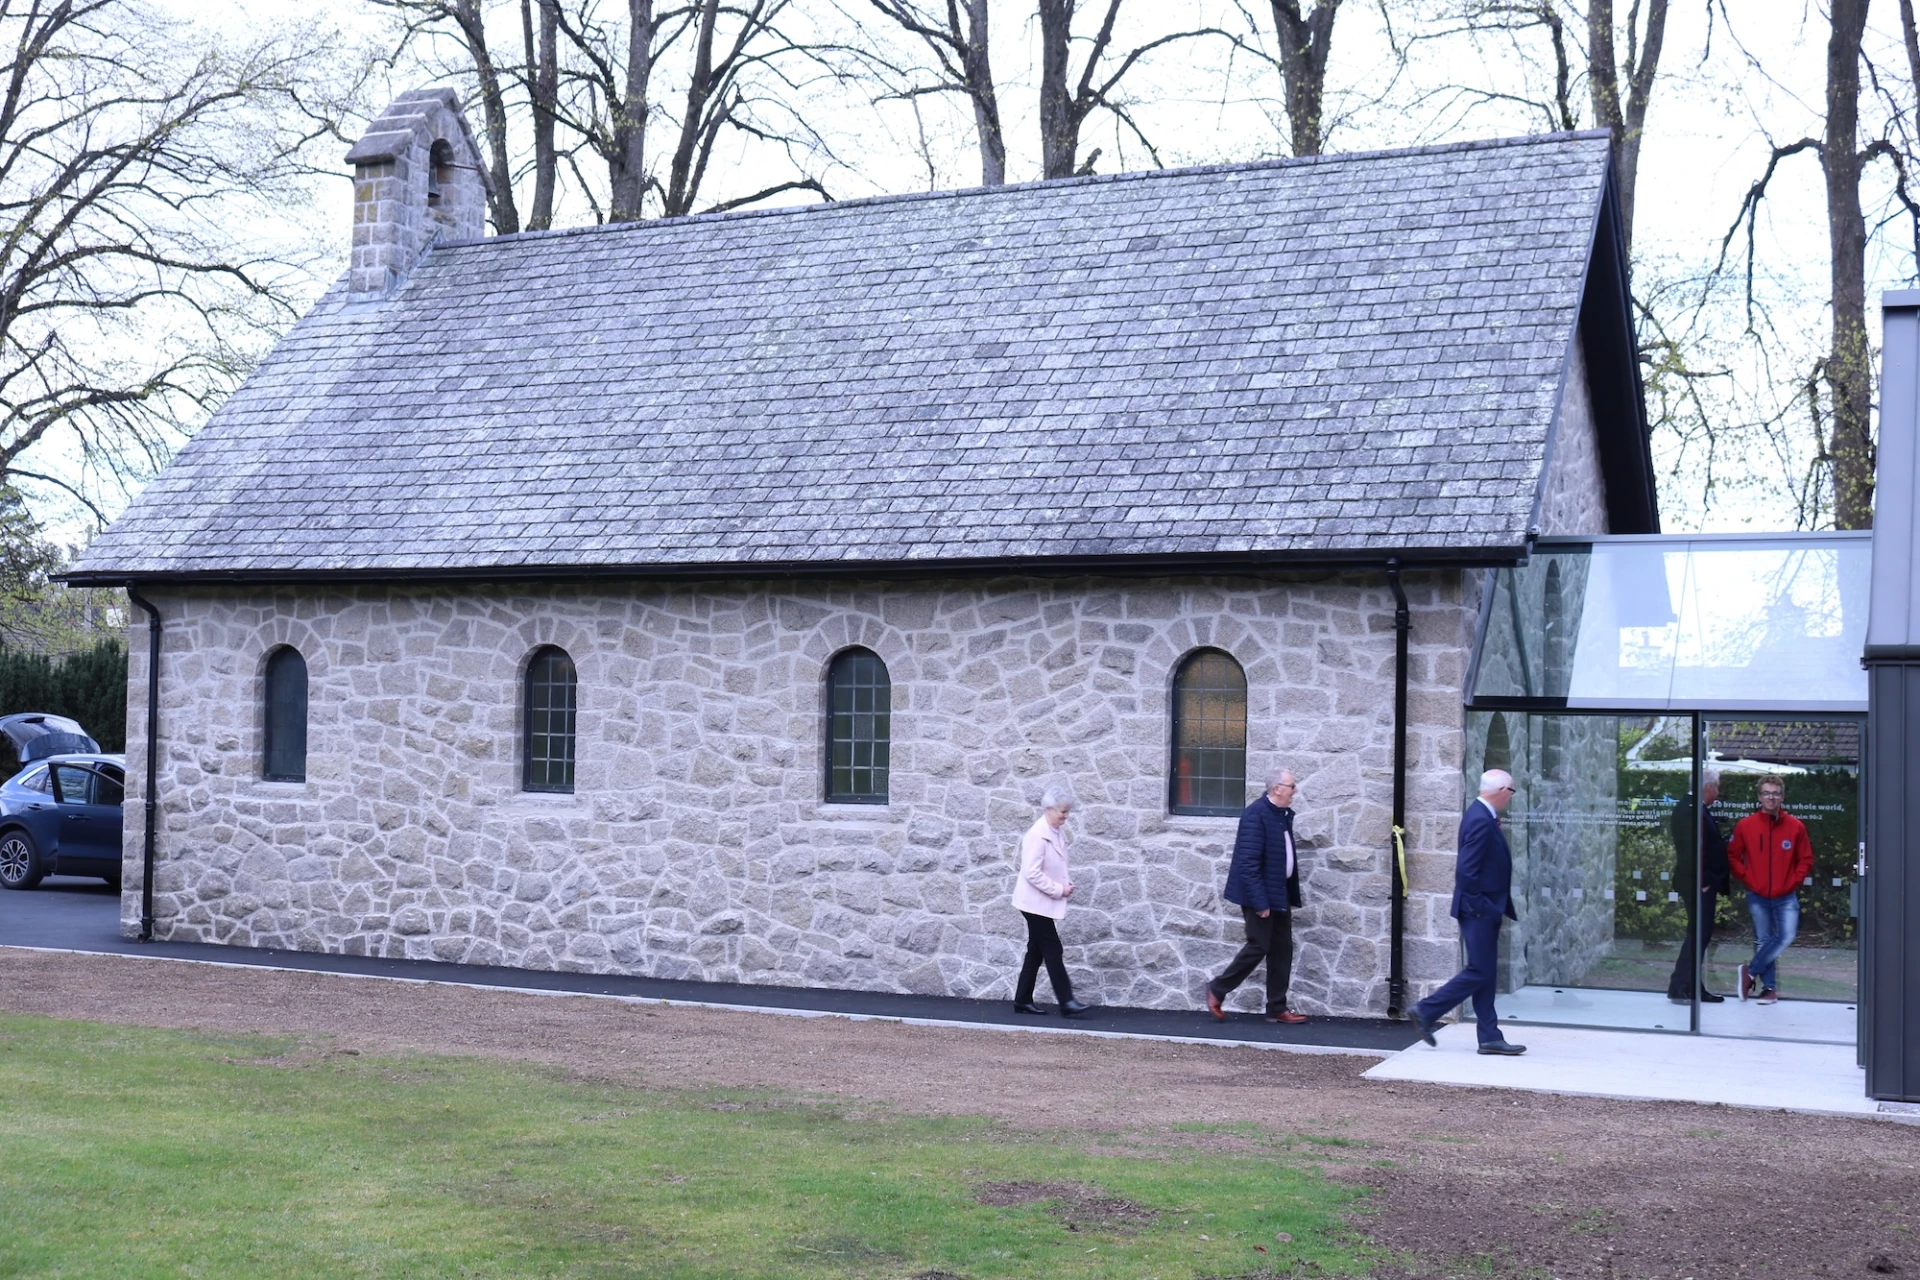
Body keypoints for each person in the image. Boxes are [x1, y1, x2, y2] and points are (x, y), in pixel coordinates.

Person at [1410, 769, 1525, 1056]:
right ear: (1501, 790)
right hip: (1478, 909)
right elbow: (1466, 870)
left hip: (1484, 907)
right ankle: (1426, 1010)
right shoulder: (1480, 819)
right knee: (1480, 970)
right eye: (1511, 792)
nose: (1510, 798)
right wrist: (1479, 908)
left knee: (1485, 972)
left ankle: (1489, 1036)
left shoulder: (1482, 816)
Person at [1205, 768, 1309, 1025]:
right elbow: (1248, 864)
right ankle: (1217, 989)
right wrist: (1261, 903)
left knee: (1282, 949)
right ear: (1277, 788)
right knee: (1258, 946)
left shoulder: (1281, 815)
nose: (1295, 790)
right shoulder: (1256, 815)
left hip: (1279, 893)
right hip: (1260, 896)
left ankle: (1276, 1008)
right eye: (1291, 786)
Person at [1727, 774, 1813, 1005]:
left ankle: (1750, 972)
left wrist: (1793, 882)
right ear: (1759, 796)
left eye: (1775, 793)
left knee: (1786, 935)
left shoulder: (1796, 827)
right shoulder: (1746, 826)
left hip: (1786, 894)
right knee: (1763, 940)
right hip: (1757, 893)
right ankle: (1769, 990)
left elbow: (1805, 859)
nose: (1771, 797)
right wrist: (1747, 878)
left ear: (1782, 796)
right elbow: (1733, 856)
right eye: (1766, 793)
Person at [1011, 785, 1089, 1017]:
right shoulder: (1037, 835)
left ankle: (1022, 1000)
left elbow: (1055, 865)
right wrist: (1059, 890)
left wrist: (1065, 885)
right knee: (1053, 948)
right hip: (1033, 903)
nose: (1066, 816)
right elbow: (1031, 873)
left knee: (1035, 951)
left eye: (1067, 812)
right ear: (1048, 809)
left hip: (1040, 901)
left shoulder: (1055, 831)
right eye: (1062, 812)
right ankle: (1066, 1001)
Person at [1667, 770, 1729, 1004]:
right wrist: (1702, 881)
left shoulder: (1696, 808)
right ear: (1708, 787)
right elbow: (1692, 849)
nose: (1718, 791)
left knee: (1700, 935)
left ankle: (1691, 985)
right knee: (1697, 935)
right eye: (1717, 787)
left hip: (1700, 883)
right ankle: (1680, 985)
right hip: (1697, 884)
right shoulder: (1689, 810)